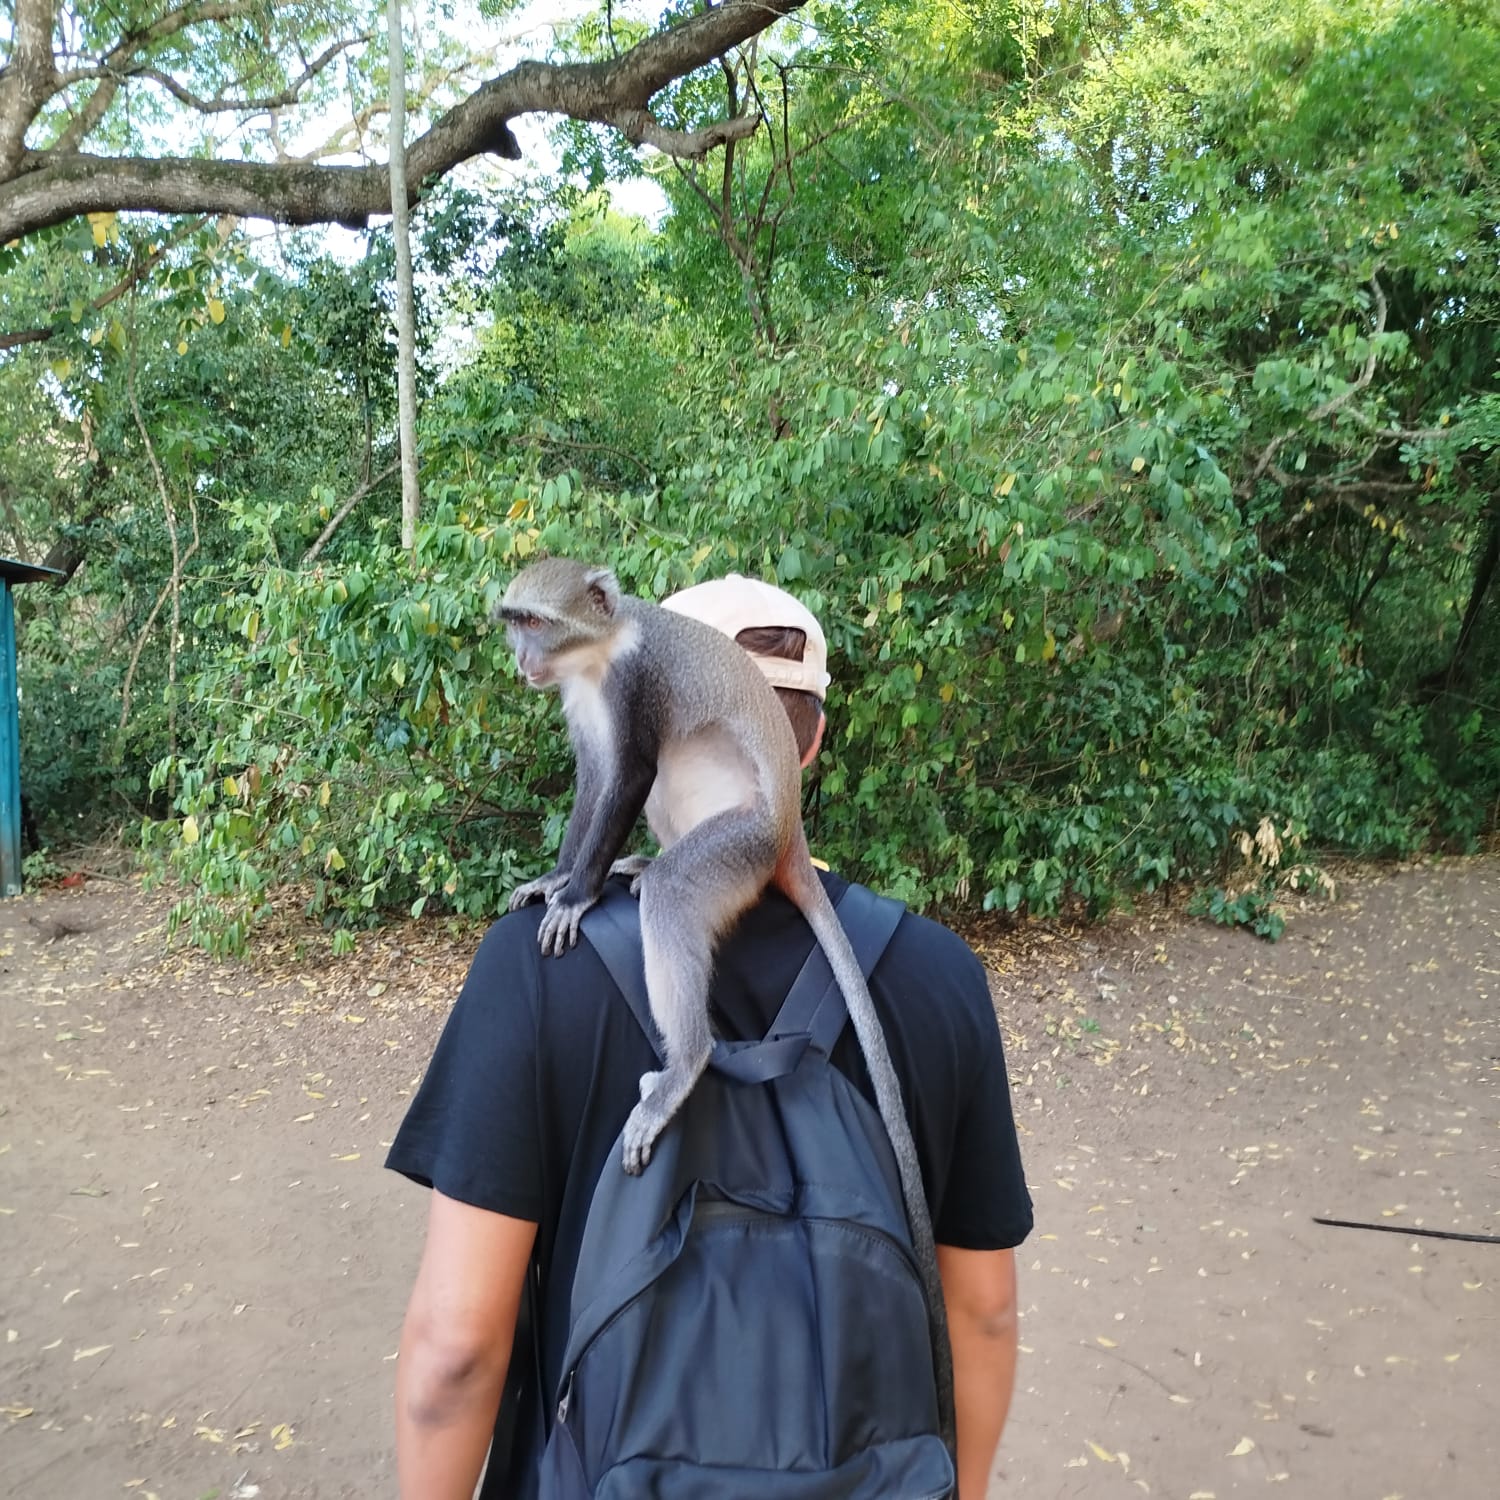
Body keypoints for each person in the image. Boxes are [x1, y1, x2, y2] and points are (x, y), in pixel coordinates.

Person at [387, 573, 1033, 1500]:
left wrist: (577, 896)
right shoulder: (940, 975)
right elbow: (984, 1313)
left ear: (782, 745)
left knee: (668, 907)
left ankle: (683, 1066)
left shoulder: (532, 970)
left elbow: (455, 1349)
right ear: (817, 739)